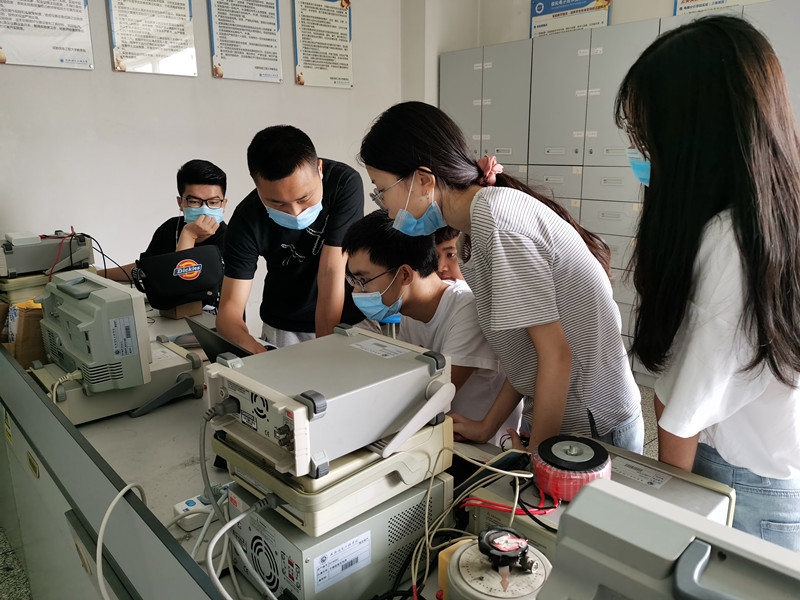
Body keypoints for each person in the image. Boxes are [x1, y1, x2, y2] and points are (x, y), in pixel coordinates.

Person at [359, 101, 642, 453]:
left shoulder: (497, 224)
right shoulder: (472, 233)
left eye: (381, 189)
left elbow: (556, 356)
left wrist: (537, 459)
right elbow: (524, 354)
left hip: (593, 421)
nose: (384, 207)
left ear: (424, 180)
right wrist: (487, 427)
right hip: (560, 412)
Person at [615, 16, 800, 550]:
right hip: (775, 478)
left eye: (649, 137)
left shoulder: (732, 241)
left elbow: (681, 415)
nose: (645, 154)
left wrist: (666, 526)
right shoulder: (776, 218)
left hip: (742, 490)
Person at [341, 210, 522, 446]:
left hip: (478, 449)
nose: (357, 291)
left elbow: (431, 395)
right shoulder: (410, 309)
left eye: (363, 280)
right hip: (435, 436)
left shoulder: (467, 309)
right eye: (353, 281)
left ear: (404, 274)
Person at [217, 125, 366, 351]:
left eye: (304, 198)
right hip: (285, 326)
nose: (295, 212)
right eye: (277, 203)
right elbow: (230, 308)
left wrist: (328, 349)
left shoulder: (343, 183)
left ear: (319, 169)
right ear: (256, 184)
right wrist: (248, 345)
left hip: (348, 319)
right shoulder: (246, 219)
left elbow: (331, 270)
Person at [100, 159, 228, 282]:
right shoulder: (170, 228)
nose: (204, 209)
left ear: (223, 204)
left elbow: (184, 282)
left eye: (213, 202)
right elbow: (145, 270)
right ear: (180, 203)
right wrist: (97, 274)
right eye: (194, 201)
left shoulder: (231, 240)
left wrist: (189, 234)